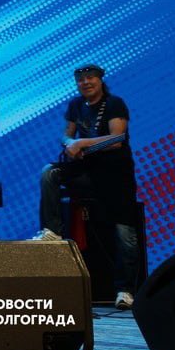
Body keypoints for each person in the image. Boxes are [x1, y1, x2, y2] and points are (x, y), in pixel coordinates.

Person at [31, 64, 140, 310]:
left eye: (90, 78)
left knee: (125, 234)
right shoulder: (76, 105)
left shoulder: (114, 103)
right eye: (81, 80)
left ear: (100, 80)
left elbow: (117, 139)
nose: (86, 82)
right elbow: (65, 134)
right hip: (86, 171)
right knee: (50, 172)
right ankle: (52, 230)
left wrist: (82, 143)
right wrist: (70, 143)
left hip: (115, 175)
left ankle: (125, 290)